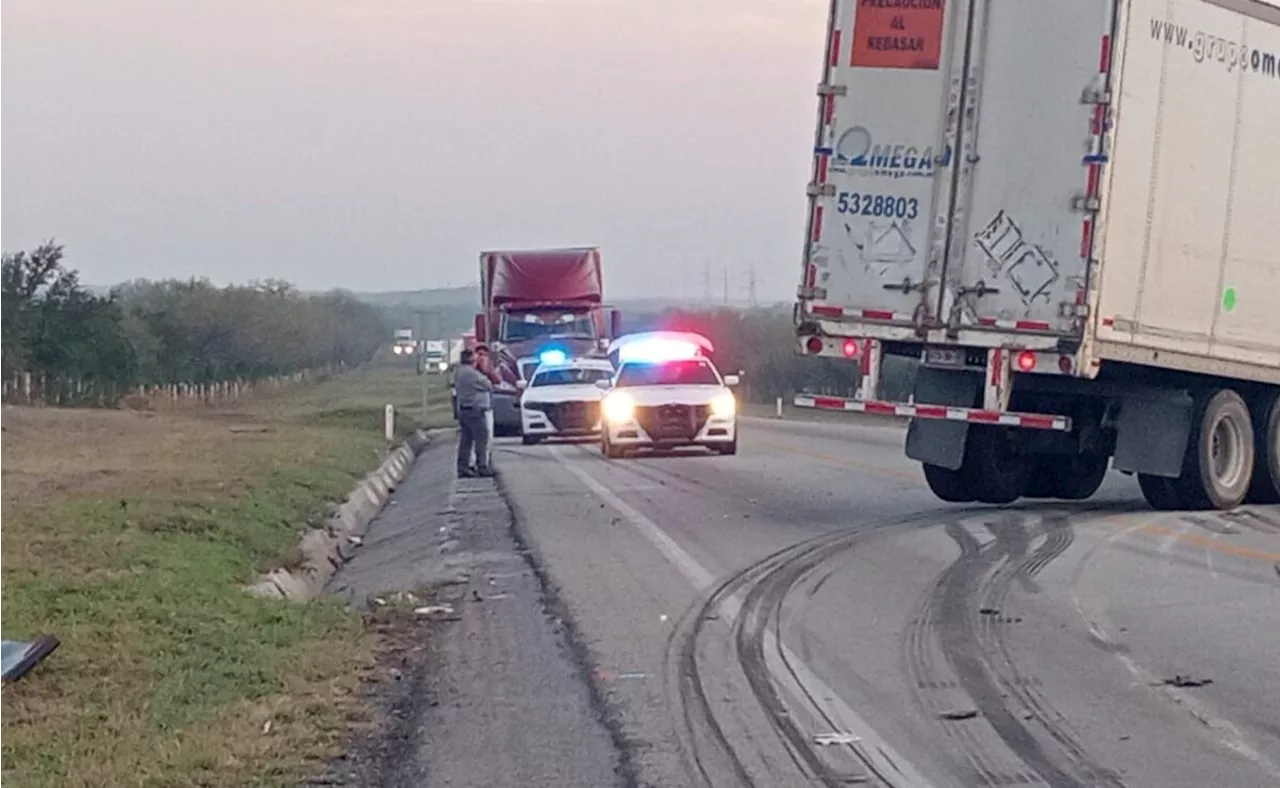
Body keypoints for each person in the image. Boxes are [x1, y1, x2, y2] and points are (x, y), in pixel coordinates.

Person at [453, 346, 500, 477]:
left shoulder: (459, 371)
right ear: (470, 359)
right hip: (475, 410)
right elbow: (490, 384)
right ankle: (482, 466)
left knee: (466, 440)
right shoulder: (472, 374)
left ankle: (464, 467)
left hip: (465, 409)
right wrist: (484, 369)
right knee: (482, 439)